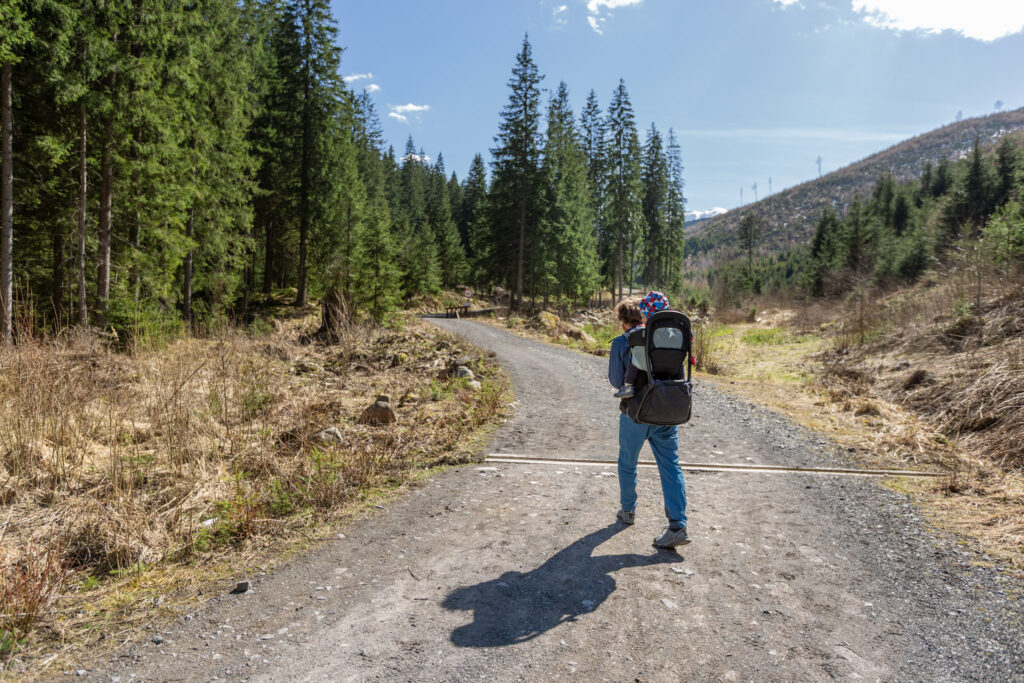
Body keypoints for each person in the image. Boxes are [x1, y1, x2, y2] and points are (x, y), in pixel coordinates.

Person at [607, 293, 690, 549]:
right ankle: (678, 526)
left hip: (637, 414)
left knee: (628, 462)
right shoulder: (676, 337)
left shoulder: (625, 341)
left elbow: (615, 380)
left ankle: (628, 511)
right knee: (670, 466)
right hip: (667, 412)